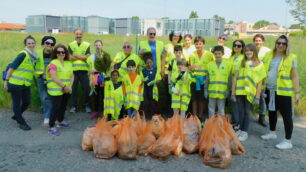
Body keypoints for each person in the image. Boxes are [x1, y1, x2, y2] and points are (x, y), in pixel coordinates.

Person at [261, 35, 300, 150]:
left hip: (283, 91)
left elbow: (295, 76)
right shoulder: (268, 55)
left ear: (287, 45)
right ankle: (272, 133)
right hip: (269, 89)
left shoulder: (291, 57)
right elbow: (260, 69)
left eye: (283, 43)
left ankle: (288, 141)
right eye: (279, 43)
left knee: (286, 116)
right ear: (275, 43)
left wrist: (297, 93)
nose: (280, 45)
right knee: (272, 112)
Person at [231, 44, 266, 141]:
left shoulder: (259, 64)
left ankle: (244, 131)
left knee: (247, 111)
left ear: (254, 51)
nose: (248, 52)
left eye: (250, 50)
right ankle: (240, 130)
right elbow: (235, 78)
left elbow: (260, 82)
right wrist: (233, 93)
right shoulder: (242, 62)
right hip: (239, 91)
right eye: (246, 50)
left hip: (250, 93)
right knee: (241, 111)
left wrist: (258, 97)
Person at [4, 36, 38, 130]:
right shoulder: (23, 54)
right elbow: (11, 68)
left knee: (27, 102)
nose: (31, 45)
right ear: (25, 45)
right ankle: (21, 122)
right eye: (29, 43)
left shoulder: (34, 56)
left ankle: (17, 115)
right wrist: (6, 81)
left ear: (35, 44)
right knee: (16, 103)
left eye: (32, 43)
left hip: (25, 84)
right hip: (15, 83)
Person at [46, 44, 74, 136]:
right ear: (55, 53)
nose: (61, 53)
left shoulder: (69, 63)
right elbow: (53, 76)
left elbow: (72, 76)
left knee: (63, 106)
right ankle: (51, 126)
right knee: (55, 108)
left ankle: (60, 121)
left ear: (65, 53)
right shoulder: (53, 63)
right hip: (56, 89)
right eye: (58, 52)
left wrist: (69, 86)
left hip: (66, 89)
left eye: (63, 52)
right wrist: (64, 86)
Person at [189, 36, 214, 121]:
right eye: (196, 44)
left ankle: (200, 116)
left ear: (203, 44)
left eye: (200, 44)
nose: (198, 46)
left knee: (202, 100)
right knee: (194, 99)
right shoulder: (192, 55)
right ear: (194, 45)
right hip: (194, 80)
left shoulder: (209, 55)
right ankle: (194, 116)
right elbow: (189, 68)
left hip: (204, 81)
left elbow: (212, 67)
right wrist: (191, 67)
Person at [87, 40, 112, 119]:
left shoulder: (105, 56)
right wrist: (91, 80)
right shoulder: (91, 58)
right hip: (95, 78)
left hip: (103, 78)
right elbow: (90, 70)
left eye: (99, 45)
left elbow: (106, 69)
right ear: (94, 47)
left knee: (103, 95)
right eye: (96, 45)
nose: (98, 46)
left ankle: (102, 111)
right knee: (95, 95)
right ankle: (95, 111)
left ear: (102, 46)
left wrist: (96, 70)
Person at [68, 29, 91, 113]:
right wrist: (82, 56)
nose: (78, 36)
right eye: (77, 34)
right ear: (74, 34)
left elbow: (88, 57)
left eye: (80, 34)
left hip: (84, 71)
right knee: (74, 89)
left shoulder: (86, 45)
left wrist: (76, 55)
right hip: (74, 71)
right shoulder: (71, 44)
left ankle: (87, 105)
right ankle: (74, 106)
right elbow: (69, 57)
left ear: (82, 34)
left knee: (86, 89)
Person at [205, 46, 232, 118]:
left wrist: (228, 90)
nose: (217, 55)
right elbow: (207, 78)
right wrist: (205, 90)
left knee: (221, 109)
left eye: (219, 53)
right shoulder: (209, 65)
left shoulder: (228, 64)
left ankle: (220, 124)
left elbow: (229, 79)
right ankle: (211, 123)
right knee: (211, 108)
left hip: (222, 92)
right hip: (212, 91)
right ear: (213, 54)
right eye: (216, 54)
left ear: (223, 54)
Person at [35, 36, 56, 125]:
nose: (49, 45)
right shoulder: (37, 53)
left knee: (51, 97)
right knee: (44, 97)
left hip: (52, 78)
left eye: (51, 44)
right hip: (40, 78)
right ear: (43, 44)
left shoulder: (56, 54)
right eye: (47, 43)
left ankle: (49, 115)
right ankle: (47, 114)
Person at [253, 34, 271, 127]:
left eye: (259, 40)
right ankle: (248, 116)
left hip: (262, 78)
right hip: (252, 78)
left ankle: (262, 117)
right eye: (256, 40)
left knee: (261, 98)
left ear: (263, 41)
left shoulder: (267, 51)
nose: (258, 42)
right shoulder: (251, 49)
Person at [229, 40, 245, 131]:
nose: (236, 47)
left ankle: (238, 123)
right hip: (231, 80)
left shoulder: (243, 58)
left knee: (238, 104)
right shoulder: (231, 57)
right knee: (233, 103)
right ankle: (235, 121)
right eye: (235, 45)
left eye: (239, 46)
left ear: (242, 47)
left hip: (239, 82)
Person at [140, 52, 161, 119]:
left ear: (153, 62)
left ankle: (153, 116)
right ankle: (145, 117)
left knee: (153, 103)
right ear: (145, 63)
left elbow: (159, 80)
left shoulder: (155, 71)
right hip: (145, 90)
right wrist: (143, 80)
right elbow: (140, 81)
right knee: (145, 103)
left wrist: (155, 81)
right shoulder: (143, 71)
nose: (149, 64)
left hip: (153, 90)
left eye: (150, 62)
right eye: (147, 63)